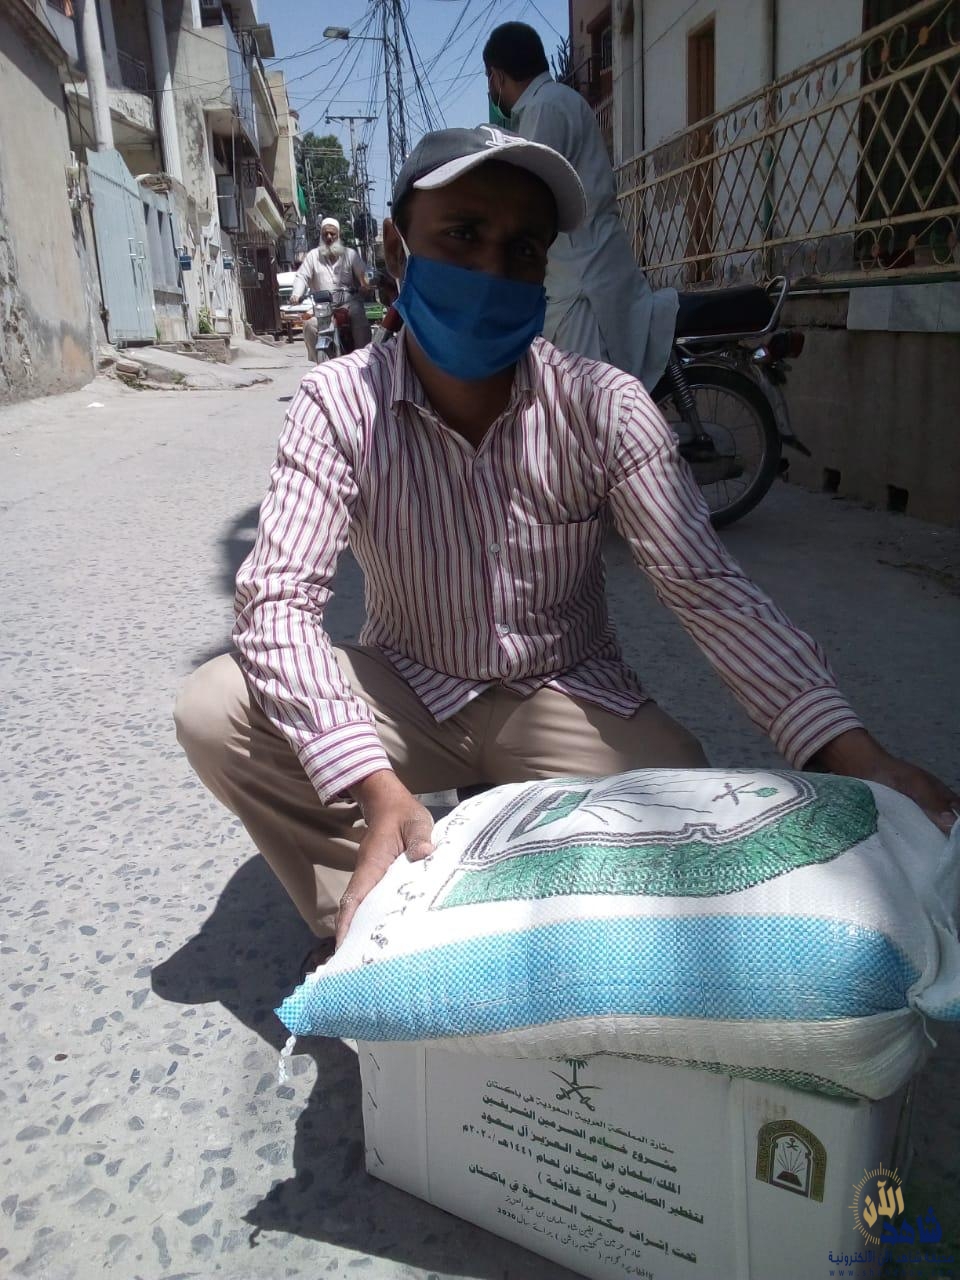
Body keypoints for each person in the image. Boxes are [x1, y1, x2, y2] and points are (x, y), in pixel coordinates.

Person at [174, 126, 957, 973]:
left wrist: (853, 752)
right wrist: (374, 786)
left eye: (523, 250)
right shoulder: (338, 402)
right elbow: (278, 603)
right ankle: (369, 920)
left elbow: (708, 591)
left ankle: (507, 833)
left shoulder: (605, 407)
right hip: (408, 687)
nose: (491, 270)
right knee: (217, 708)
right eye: (461, 235)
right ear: (397, 248)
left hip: (563, 689)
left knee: (685, 807)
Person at [483, 21, 676, 390]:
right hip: (583, 268)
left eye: (489, 81)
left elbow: (527, 198)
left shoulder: (544, 109)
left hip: (582, 279)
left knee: (584, 398)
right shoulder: (557, 101)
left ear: (497, 76)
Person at [290, 216, 372, 362]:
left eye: (332, 234)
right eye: (325, 234)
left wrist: (365, 284)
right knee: (309, 325)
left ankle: (364, 358)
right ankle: (318, 363)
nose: (329, 237)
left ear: (338, 235)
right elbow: (302, 276)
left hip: (348, 304)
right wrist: (296, 294)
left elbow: (362, 273)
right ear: (321, 236)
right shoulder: (313, 256)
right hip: (323, 307)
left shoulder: (350, 254)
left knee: (358, 314)